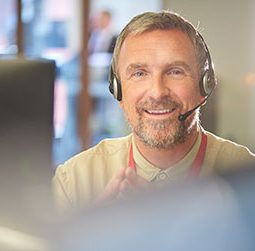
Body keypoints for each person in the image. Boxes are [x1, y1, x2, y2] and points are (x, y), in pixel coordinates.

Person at [53, 11, 255, 212]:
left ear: (205, 86)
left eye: (175, 71)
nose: (157, 93)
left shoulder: (247, 180)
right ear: (117, 89)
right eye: (139, 73)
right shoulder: (74, 183)